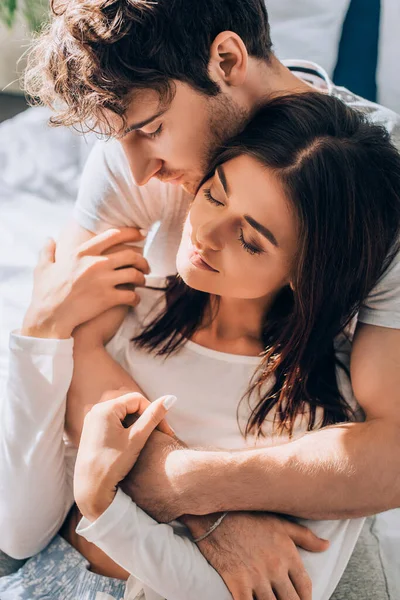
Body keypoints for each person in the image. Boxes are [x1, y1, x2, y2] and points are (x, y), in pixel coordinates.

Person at [5, 0, 400, 596]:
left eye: (151, 130)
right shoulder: (131, 156)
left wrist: (193, 484)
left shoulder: (375, 188)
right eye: (212, 195)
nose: (136, 170)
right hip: (114, 501)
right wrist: (200, 507)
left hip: (292, 466)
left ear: (226, 59)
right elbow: (76, 344)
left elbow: (388, 452)